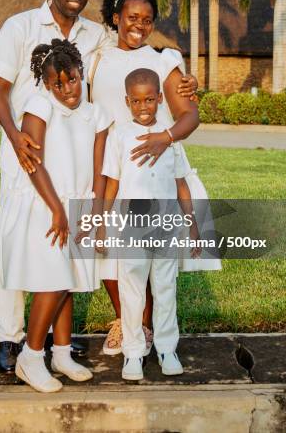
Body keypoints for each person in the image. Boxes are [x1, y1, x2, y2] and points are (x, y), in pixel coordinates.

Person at [0, 0, 197, 372]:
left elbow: (143, 59)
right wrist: (15, 137)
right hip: (26, 157)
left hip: (77, 163)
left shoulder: (94, 36)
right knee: (21, 248)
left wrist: (187, 78)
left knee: (66, 252)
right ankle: (11, 337)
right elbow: (0, 90)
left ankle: (58, 346)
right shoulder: (20, 26)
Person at [0, 39, 110, 392]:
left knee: (68, 283)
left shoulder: (95, 114)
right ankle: (31, 356)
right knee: (53, 281)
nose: (68, 89)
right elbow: (33, 163)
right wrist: (57, 209)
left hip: (79, 202)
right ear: (46, 83)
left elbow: (99, 169)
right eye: (59, 83)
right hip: (46, 204)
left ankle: (61, 353)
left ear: (82, 75)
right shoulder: (39, 107)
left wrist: (95, 214)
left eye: (73, 80)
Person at [89, 0, 200, 355]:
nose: (140, 25)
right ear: (116, 18)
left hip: (151, 170)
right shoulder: (97, 59)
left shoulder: (163, 60)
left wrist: (164, 138)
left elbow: (189, 115)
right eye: (132, 17)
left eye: (148, 20)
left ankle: (147, 328)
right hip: (109, 165)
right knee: (109, 257)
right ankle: (126, 321)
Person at [100, 68, 202, 380]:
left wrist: (193, 226)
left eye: (149, 100)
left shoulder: (171, 137)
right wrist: (102, 226)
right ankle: (133, 352)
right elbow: (112, 186)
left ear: (159, 98)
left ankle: (167, 348)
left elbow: (181, 185)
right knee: (132, 289)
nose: (143, 107)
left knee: (165, 287)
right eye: (136, 101)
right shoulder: (118, 136)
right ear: (127, 101)